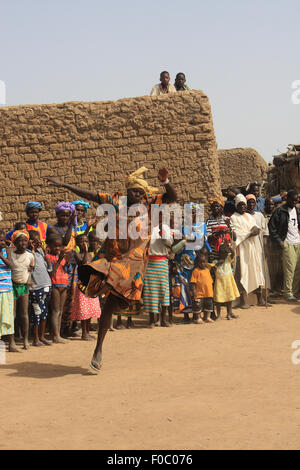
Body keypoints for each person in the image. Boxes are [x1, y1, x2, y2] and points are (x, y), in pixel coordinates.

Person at [46, 166, 177, 372]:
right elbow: (90, 194)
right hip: (112, 257)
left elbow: (171, 196)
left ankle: (99, 347)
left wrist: (166, 181)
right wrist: (64, 185)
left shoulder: (150, 204)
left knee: (110, 306)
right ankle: (98, 342)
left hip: (133, 263)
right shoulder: (116, 201)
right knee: (99, 287)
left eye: (141, 193)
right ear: (127, 190)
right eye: (135, 191)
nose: (138, 195)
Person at [173, 203, 210, 322]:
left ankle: (198, 314)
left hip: (197, 261)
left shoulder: (202, 226)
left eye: (194, 212)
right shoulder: (182, 227)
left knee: (198, 287)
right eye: (190, 212)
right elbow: (177, 244)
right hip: (183, 261)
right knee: (184, 286)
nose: (192, 214)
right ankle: (186, 314)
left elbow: (204, 242)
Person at [230, 194, 265, 308]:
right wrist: (250, 233)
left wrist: (256, 230)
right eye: (240, 205)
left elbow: (256, 228)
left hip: (252, 247)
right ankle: (243, 300)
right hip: (242, 249)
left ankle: (259, 299)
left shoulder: (249, 216)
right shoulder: (233, 217)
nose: (242, 207)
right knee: (242, 273)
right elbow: (236, 234)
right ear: (236, 206)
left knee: (255, 271)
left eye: (243, 205)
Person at [268, 189, 300, 302]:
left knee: (297, 269)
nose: (295, 202)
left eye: (296, 201)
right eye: (293, 200)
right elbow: (271, 227)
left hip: (298, 243)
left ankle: (295, 292)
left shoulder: (297, 210)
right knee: (289, 269)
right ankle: (288, 293)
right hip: (288, 243)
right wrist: (280, 242)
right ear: (287, 199)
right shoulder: (280, 211)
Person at [143, 212, 173, 328]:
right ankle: (152, 320)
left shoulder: (165, 227)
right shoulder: (146, 227)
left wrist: (162, 231)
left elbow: (169, 242)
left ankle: (163, 319)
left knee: (164, 291)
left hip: (162, 262)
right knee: (151, 291)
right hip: (149, 262)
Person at [70, 235, 101, 340]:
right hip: (82, 286)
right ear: (78, 244)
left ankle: (87, 331)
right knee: (84, 311)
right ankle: (84, 333)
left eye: (86, 241)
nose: (84, 243)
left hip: (91, 284)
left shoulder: (91, 255)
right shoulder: (77, 254)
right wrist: (87, 251)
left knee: (90, 310)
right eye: (82, 242)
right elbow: (83, 263)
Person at [11, 230, 35, 350]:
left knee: (24, 314)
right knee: (13, 314)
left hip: (24, 287)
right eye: (20, 241)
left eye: (25, 240)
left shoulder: (30, 256)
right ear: (14, 242)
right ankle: (12, 340)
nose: (23, 243)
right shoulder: (10, 254)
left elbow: (31, 269)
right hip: (12, 287)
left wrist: (29, 282)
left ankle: (25, 340)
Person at [45, 235, 72, 343]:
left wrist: (68, 262)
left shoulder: (64, 258)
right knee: (55, 311)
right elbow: (52, 271)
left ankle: (58, 333)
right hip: (55, 285)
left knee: (60, 311)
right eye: (55, 246)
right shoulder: (48, 257)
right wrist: (60, 259)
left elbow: (67, 270)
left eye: (59, 246)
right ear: (49, 246)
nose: (57, 248)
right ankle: (55, 335)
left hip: (64, 285)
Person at [28, 230, 52, 346]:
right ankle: (35, 338)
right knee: (36, 313)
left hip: (46, 285)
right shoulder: (28, 253)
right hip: (36, 287)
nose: (37, 242)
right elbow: (31, 266)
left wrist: (43, 251)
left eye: (39, 240)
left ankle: (42, 336)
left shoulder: (40, 252)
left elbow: (49, 267)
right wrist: (32, 250)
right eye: (34, 240)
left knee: (44, 312)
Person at [0, 230, 19, 352]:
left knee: (8, 316)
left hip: (6, 289)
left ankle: (12, 343)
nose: (1, 242)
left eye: (2, 240)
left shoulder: (7, 252)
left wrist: (2, 255)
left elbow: (12, 266)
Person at [213, 242, 240, 320]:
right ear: (219, 253)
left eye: (225, 253)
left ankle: (228, 314)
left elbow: (233, 253)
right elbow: (213, 268)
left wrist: (229, 247)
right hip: (219, 284)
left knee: (229, 299)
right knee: (218, 300)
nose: (224, 255)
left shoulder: (228, 259)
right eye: (222, 253)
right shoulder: (216, 262)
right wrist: (217, 264)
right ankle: (218, 315)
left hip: (228, 283)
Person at [206, 197, 233, 262]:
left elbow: (234, 237)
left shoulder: (227, 219)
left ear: (222, 208)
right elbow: (208, 238)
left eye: (218, 206)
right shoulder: (208, 221)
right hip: (214, 252)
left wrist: (229, 227)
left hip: (226, 252)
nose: (215, 208)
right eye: (213, 206)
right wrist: (219, 232)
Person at [190, 252, 214, 323]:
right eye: (201, 262)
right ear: (197, 263)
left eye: (204, 262)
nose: (203, 264)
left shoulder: (207, 270)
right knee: (198, 306)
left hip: (208, 293)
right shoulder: (196, 271)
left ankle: (207, 317)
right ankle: (198, 318)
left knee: (208, 305)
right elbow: (193, 282)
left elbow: (210, 281)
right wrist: (194, 290)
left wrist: (212, 290)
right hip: (199, 293)